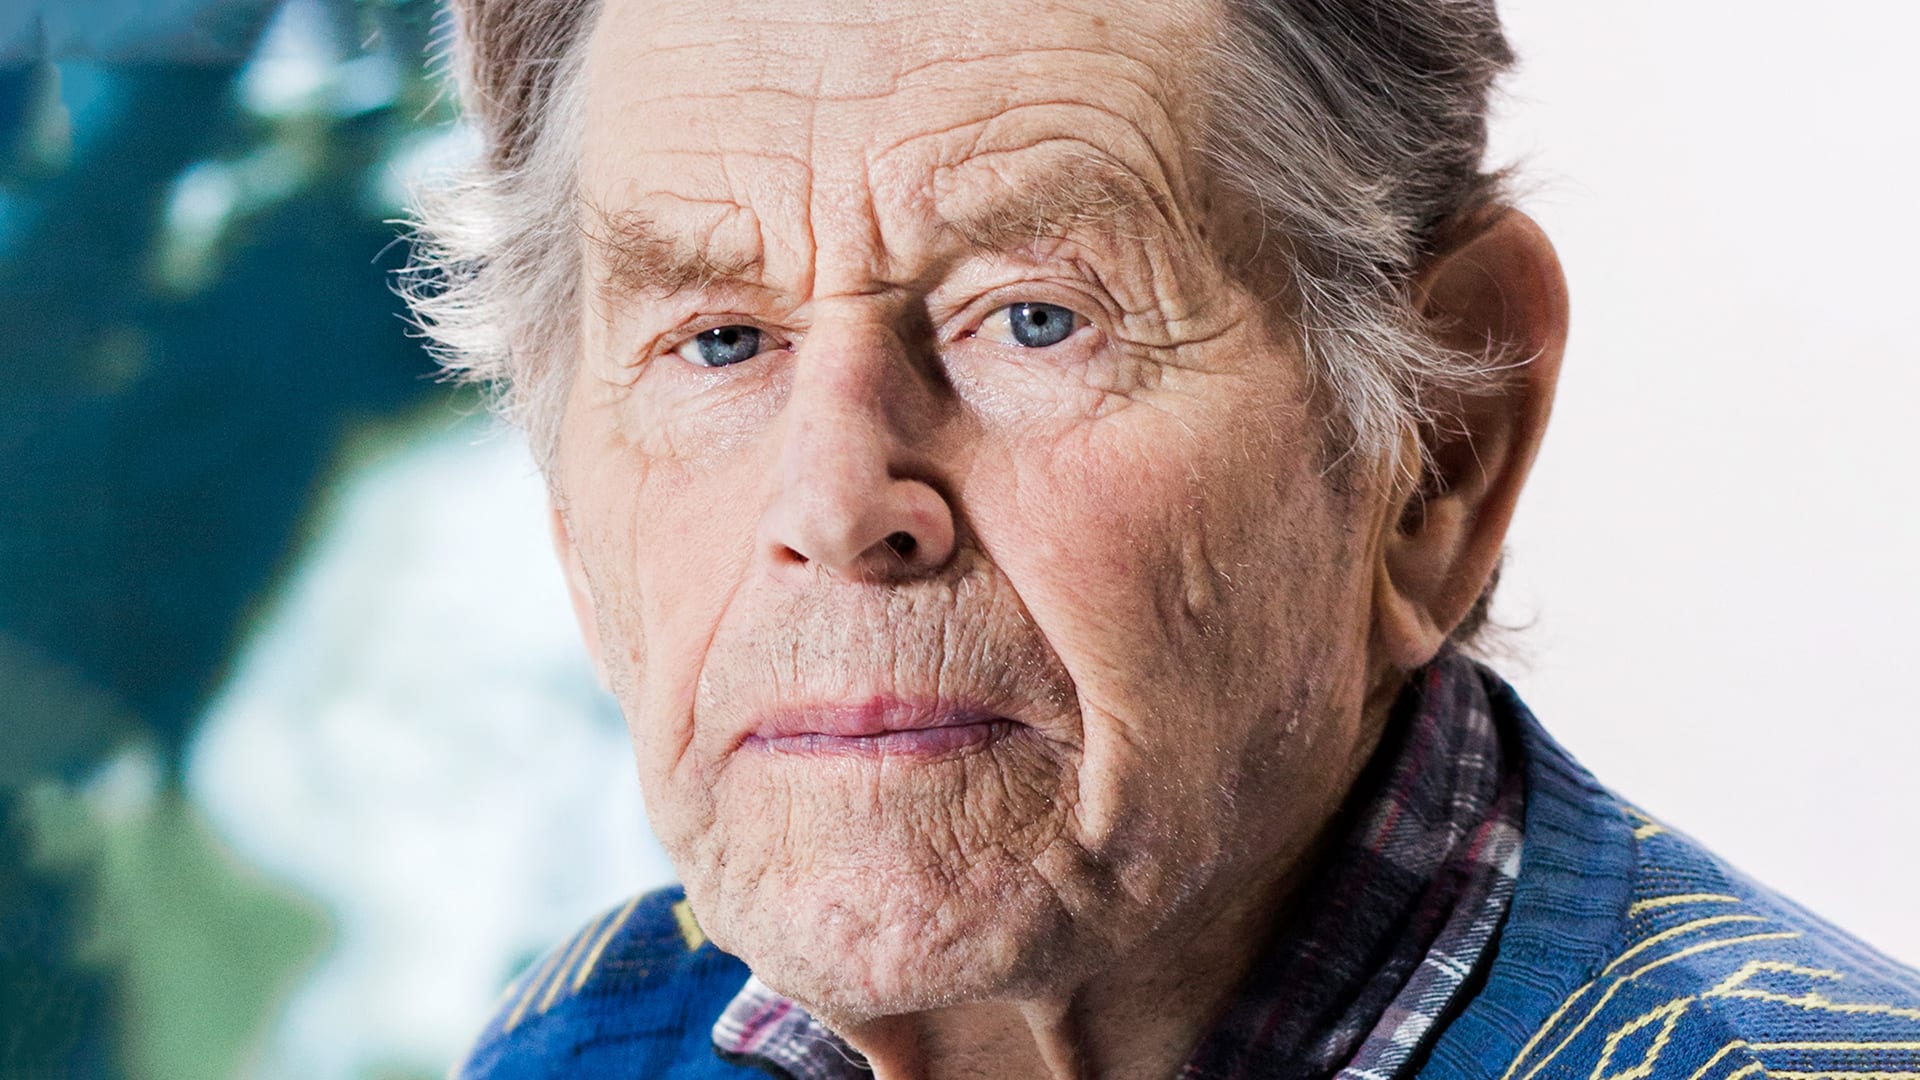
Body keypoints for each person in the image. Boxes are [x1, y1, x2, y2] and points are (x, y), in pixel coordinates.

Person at [400, 0, 1920, 1076]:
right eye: (722, 341)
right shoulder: (581, 1036)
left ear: (1434, 450)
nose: (837, 508)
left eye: (1037, 319)